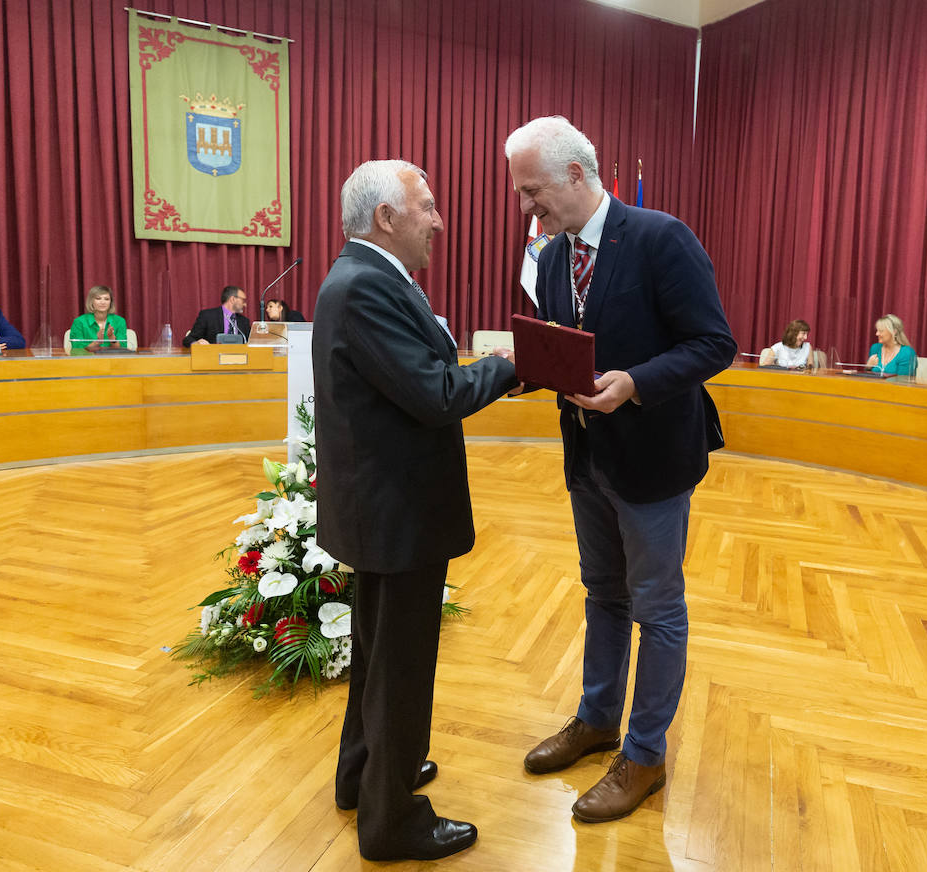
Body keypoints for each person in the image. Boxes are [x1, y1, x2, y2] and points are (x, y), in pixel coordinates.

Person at [505, 116, 737, 824]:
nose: (526, 208)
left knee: (657, 611)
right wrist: (528, 369)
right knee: (603, 594)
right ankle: (597, 719)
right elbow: (568, 349)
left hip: (654, 461)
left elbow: (714, 343)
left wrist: (634, 382)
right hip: (586, 459)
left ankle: (644, 756)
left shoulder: (663, 238)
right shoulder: (549, 258)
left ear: (578, 175)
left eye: (533, 190)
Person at [315, 160, 517, 862]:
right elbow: (434, 393)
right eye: (426, 206)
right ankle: (392, 821)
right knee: (400, 669)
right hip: (396, 514)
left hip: (381, 509)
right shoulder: (368, 284)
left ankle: (365, 777)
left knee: (376, 657)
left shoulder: (360, 278)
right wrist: (516, 362)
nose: (438, 220)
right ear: (386, 218)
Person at [68, 285, 128, 353]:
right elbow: (77, 350)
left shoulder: (120, 321)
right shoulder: (79, 322)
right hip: (87, 361)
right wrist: (97, 342)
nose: (103, 302)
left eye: (106, 299)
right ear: (91, 301)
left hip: (112, 361)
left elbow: (123, 350)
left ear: (110, 302)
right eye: (98, 298)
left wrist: (112, 339)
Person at [182, 286, 250, 346]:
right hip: (214, 358)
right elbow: (188, 340)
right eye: (243, 300)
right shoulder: (208, 316)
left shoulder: (244, 321)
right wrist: (197, 343)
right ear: (233, 299)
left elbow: (250, 343)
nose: (245, 305)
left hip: (240, 358)